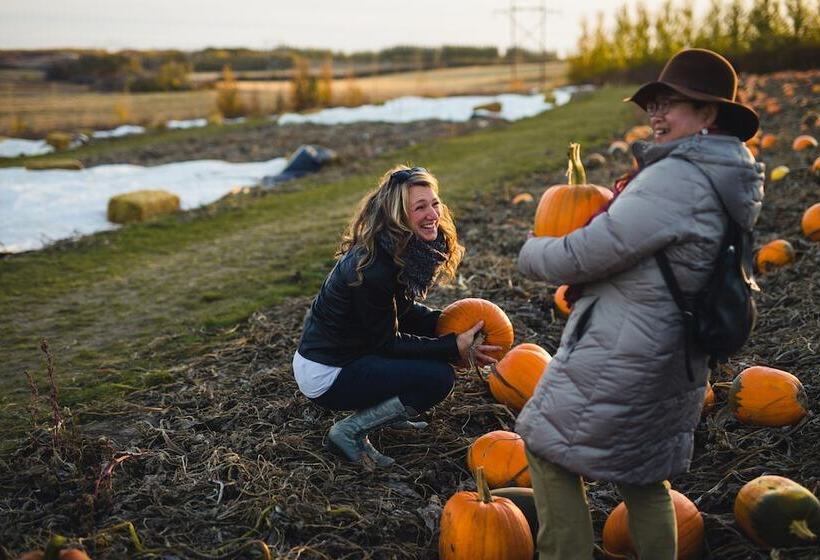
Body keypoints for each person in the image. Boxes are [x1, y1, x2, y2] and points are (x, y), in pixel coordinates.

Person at [516, 48, 764, 558]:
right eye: (653, 101)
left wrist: (531, 251)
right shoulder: (722, 175)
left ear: (708, 114)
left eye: (671, 102)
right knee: (645, 478)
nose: (655, 113)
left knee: (547, 450)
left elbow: (586, 254)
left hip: (627, 352)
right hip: (672, 353)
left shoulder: (678, 179)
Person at [294, 165, 500, 467]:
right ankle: (349, 432)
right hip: (328, 371)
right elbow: (385, 343)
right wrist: (450, 346)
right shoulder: (375, 266)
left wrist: (448, 324)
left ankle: (386, 413)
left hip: (351, 354)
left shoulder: (397, 248)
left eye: (434, 203)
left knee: (429, 361)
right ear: (398, 216)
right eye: (420, 207)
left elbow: (400, 312)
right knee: (438, 377)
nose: (433, 214)